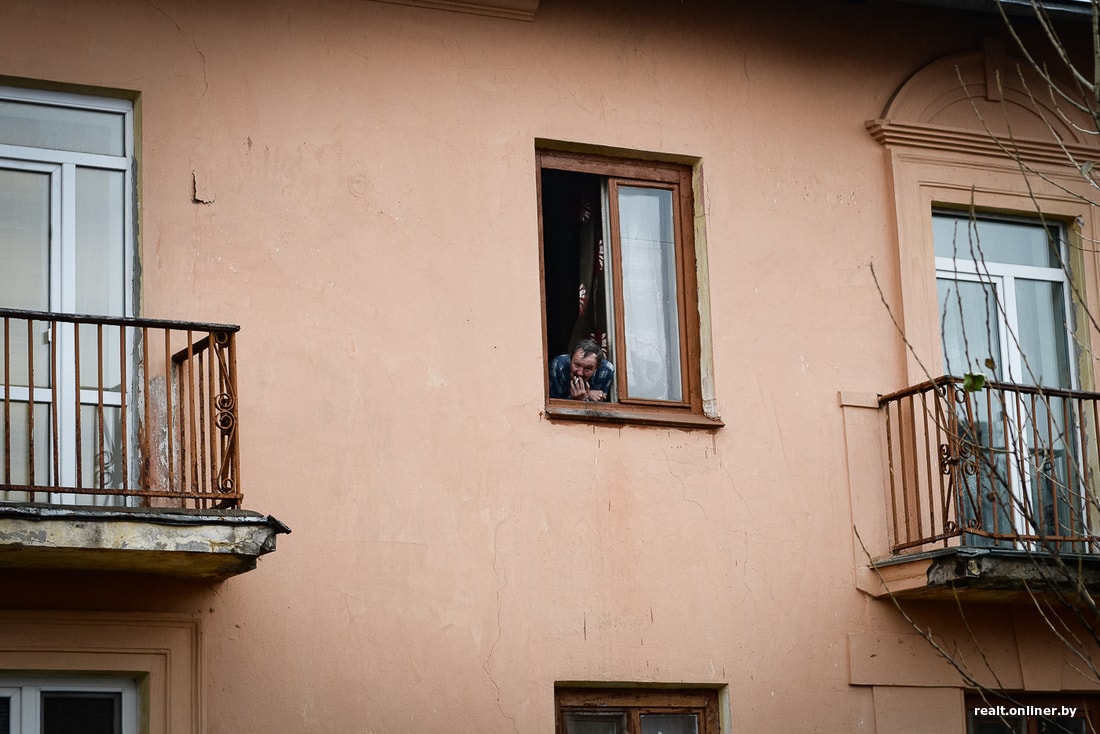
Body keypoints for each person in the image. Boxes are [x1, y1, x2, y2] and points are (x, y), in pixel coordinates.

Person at [548, 338, 614, 402]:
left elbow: (600, 405)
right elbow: (551, 402)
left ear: (597, 368)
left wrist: (586, 397)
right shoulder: (558, 366)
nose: (580, 373)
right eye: (577, 365)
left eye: (587, 369)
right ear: (571, 360)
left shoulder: (606, 370)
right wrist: (584, 395)